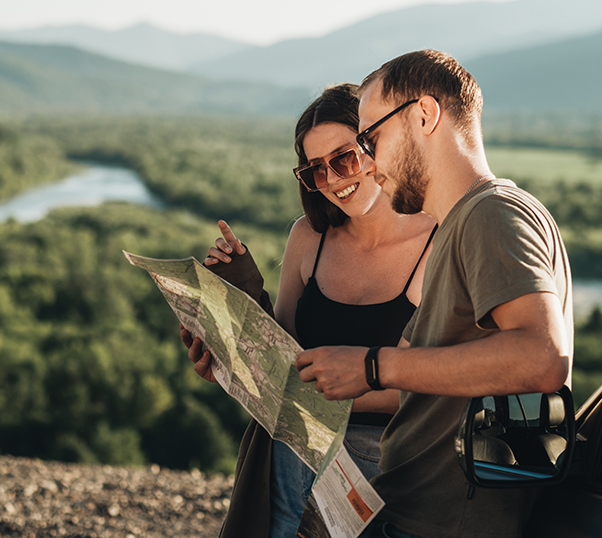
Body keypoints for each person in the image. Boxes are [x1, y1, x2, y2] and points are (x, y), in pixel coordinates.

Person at [294, 50, 574, 538]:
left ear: (424, 115)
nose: (369, 162)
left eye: (371, 138)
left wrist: (371, 366)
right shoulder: (459, 224)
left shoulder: (492, 215)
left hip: (444, 523)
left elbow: (543, 357)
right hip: (409, 510)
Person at [180, 83, 437, 538]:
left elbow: (427, 388)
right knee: (289, 444)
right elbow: (285, 354)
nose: (335, 178)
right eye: (316, 170)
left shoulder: (436, 243)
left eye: (345, 157)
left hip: (387, 449)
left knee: (289, 447)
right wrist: (229, 335)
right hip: (301, 436)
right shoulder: (308, 237)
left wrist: (318, 397)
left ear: (376, 144)